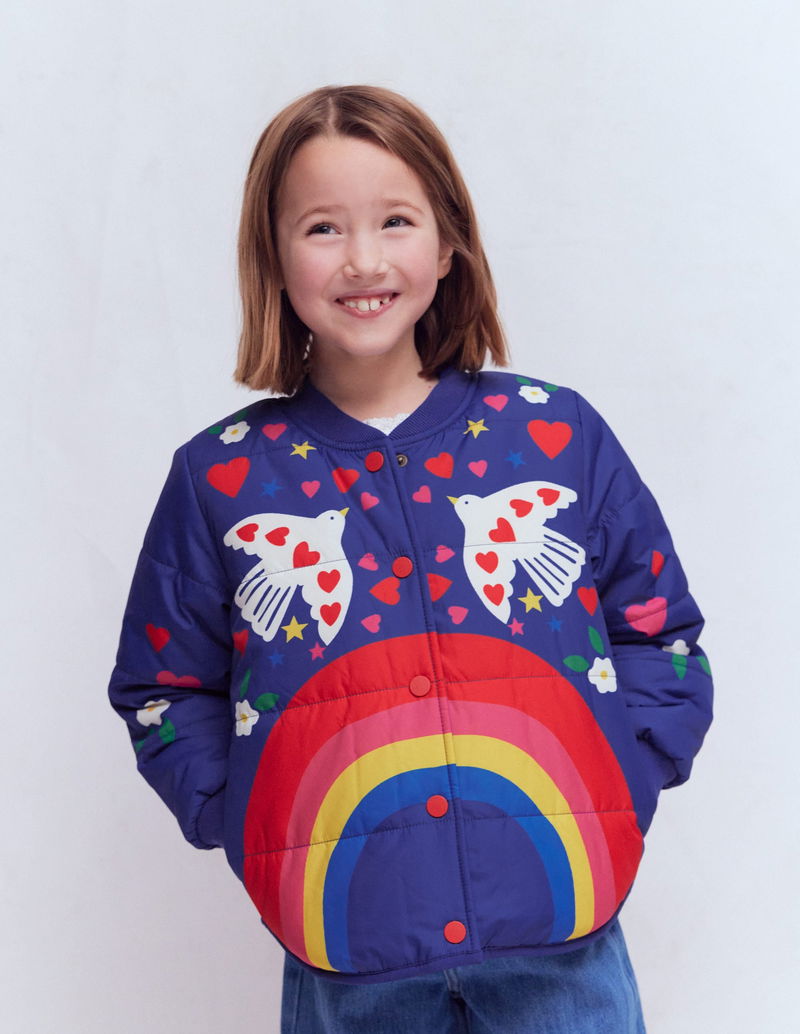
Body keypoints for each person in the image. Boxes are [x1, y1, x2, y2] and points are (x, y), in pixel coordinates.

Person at [108, 85, 713, 1033]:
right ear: (273, 255)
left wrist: (621, 779)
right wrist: (247, 815)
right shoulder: (221, 475)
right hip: (350, 949)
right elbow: (162, 686)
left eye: (395, 220)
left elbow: (659, 631)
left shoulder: (555, 434)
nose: (363, 260)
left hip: (563, 933)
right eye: (322, 227)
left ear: (448, 242)